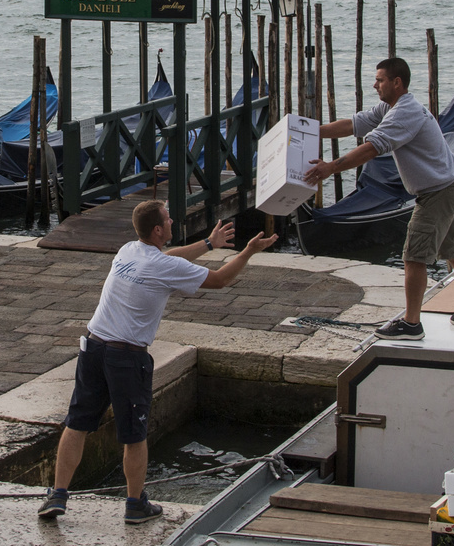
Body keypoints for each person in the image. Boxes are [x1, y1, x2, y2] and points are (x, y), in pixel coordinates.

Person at [38, 201, 276, 525]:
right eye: (168, 217)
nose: (173, 218)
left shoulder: (128, 251)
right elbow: (220, 279)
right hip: (126, 357)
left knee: (77, 422)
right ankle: (135, 504)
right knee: (134, 435)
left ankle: (58, 494)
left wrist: (208, 244)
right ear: (158, 230)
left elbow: (168, 261)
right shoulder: (160, 265)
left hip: (93, 348)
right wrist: (248, 251)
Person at [302, 57, 454, 337]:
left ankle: (411, 324)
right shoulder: (390, 108)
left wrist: (331, 168)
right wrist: (308, 131)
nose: (374, 85)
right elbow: (353, 125)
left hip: (438, 192)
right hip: (451, 184)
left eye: (379, 80)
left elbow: (371, 149)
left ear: (396, 83)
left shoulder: (405, 113)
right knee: (453, 251)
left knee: (414, 257)